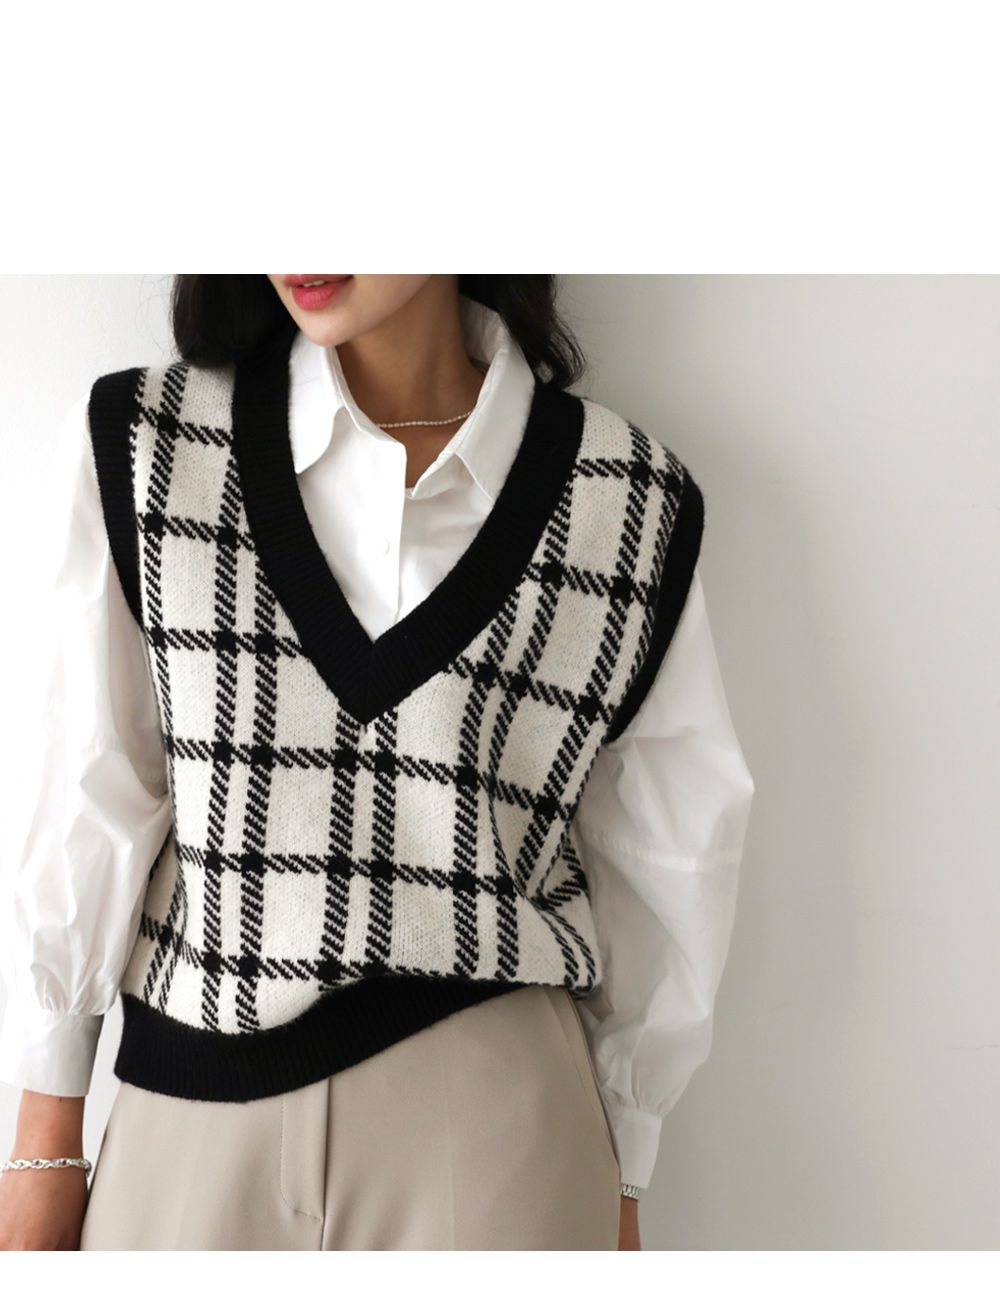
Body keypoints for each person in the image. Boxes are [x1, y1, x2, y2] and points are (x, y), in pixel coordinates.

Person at [0, 275, 755, 1250]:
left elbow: (669, 862)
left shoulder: (627, 497)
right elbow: (94, 786)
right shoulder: (148, 441)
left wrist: (628, 1158)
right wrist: (44, 1139)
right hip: (190, 1112)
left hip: (500, 1132)